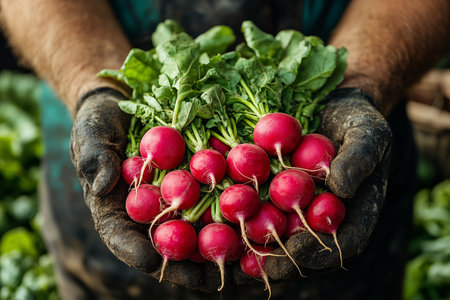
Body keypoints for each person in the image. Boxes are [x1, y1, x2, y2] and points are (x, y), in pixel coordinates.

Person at [1, 0, 449, 299]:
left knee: (344, 209)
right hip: (106, 167)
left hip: (345, 213)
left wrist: (362, 85)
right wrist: (92, 88)